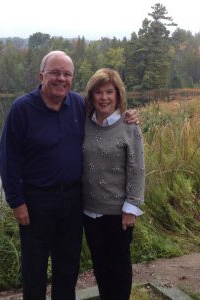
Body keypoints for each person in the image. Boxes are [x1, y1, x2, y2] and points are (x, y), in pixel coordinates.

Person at [0, 51, 139, 300]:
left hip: (73, 202)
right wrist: (16, 202)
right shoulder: (22, 109)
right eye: (55, 72)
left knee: (67, 269)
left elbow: (106, 110)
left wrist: (129, 114)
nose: (61, 78)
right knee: (35, 269)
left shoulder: (77, 105)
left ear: (72, 79)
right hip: (36, 202)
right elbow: (9, 159)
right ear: (42, 75)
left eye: (66, 74)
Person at [82, 68, 145, 300]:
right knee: (100, 266)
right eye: (98, 92)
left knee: (119, 268)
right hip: (89, 211)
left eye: (109, 91)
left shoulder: (129, 125)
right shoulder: (85, 123)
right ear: (91, 95)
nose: (104, 97)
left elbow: (137, 169)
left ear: (118, 94)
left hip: (118, 214)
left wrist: (131, 208)